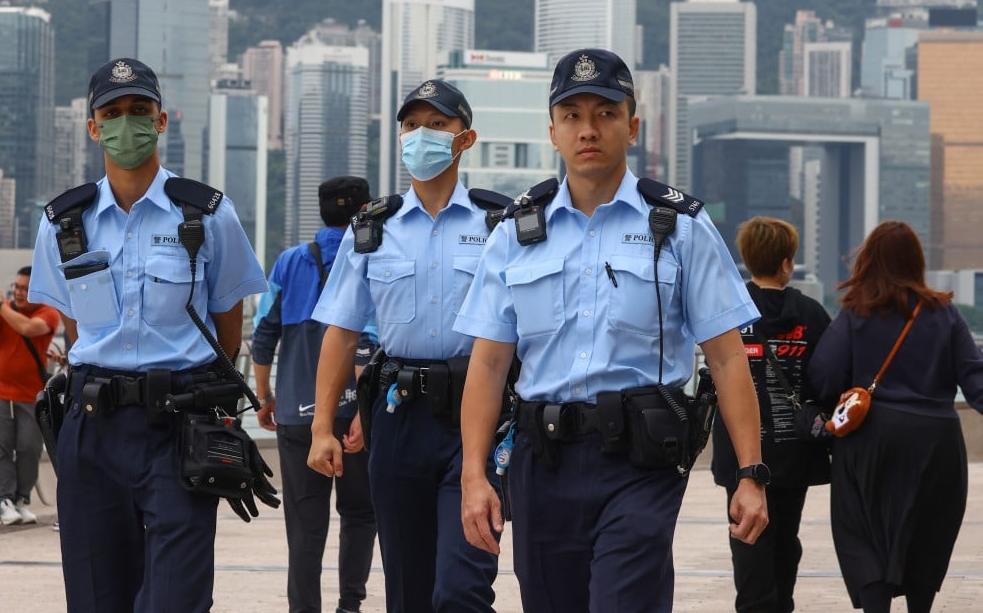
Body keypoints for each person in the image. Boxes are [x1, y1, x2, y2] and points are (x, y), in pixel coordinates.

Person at [454, 48, 770, 613]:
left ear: (633, 126)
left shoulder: (680, 228)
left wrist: (750, 473)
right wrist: (474, 475)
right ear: (552, 131)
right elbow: (488, 363)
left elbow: (726, 358)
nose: (588, 129)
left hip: (640, 462)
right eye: (572, 115)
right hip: (539, 462)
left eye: (605, 113)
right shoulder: (517, 231)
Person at [28, 57, 270, 612]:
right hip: (92, 432)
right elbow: (76, 327)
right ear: (93, 127)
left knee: (175, 600)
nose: (126, 124)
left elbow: (226, 327)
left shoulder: (207, 215)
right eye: (112, 113)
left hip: (178, 428)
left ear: (162, 121)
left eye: (140, 111)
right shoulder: (64, 224)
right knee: (95, 597)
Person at [307, 79, 505, 613]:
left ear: (465, 139)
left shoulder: (500, 224)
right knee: (408, 591)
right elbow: (342, 332)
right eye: (412, 126)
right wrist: (323, 426)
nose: (422, 136)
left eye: (437, 125)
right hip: (398, 417)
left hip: (478, 414)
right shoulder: (372, 227)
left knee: (462, 589)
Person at [807, 221, 983, 613]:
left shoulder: (855, 314)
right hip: (937, 442)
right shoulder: (945, 313)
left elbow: (823, 376)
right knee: (928, 529)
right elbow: (976, 381)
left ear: (868, 261)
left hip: (870, 440)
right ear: (916, 262)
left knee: (862, 532)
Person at [251, 175, 378, 613]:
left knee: (305, 525)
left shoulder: (289, 262)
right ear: (365, 209)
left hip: (297, 414)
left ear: (320, 212)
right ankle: (349, 606)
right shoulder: (371, 253)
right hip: (354, 413)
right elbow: (370, 341)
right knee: (360, 513)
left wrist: (265, 395)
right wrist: (364, 406)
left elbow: (264, 333)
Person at [710, 217, 832, 612]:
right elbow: (828, 380)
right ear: (786, 264)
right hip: (795, 450)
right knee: (785, 540)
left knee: (748, 541)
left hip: (742, 455)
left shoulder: (731, 311)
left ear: (747, 259)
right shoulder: (812, 315)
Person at [0, 266, 61, 526]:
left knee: (29, 447)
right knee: (0, 446)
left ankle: (22, 498)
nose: (20, 293)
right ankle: (4, 501)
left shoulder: (47, 313)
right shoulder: (3, 310)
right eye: (17, 287)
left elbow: (26, 328)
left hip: (30, 394)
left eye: (26, 288)